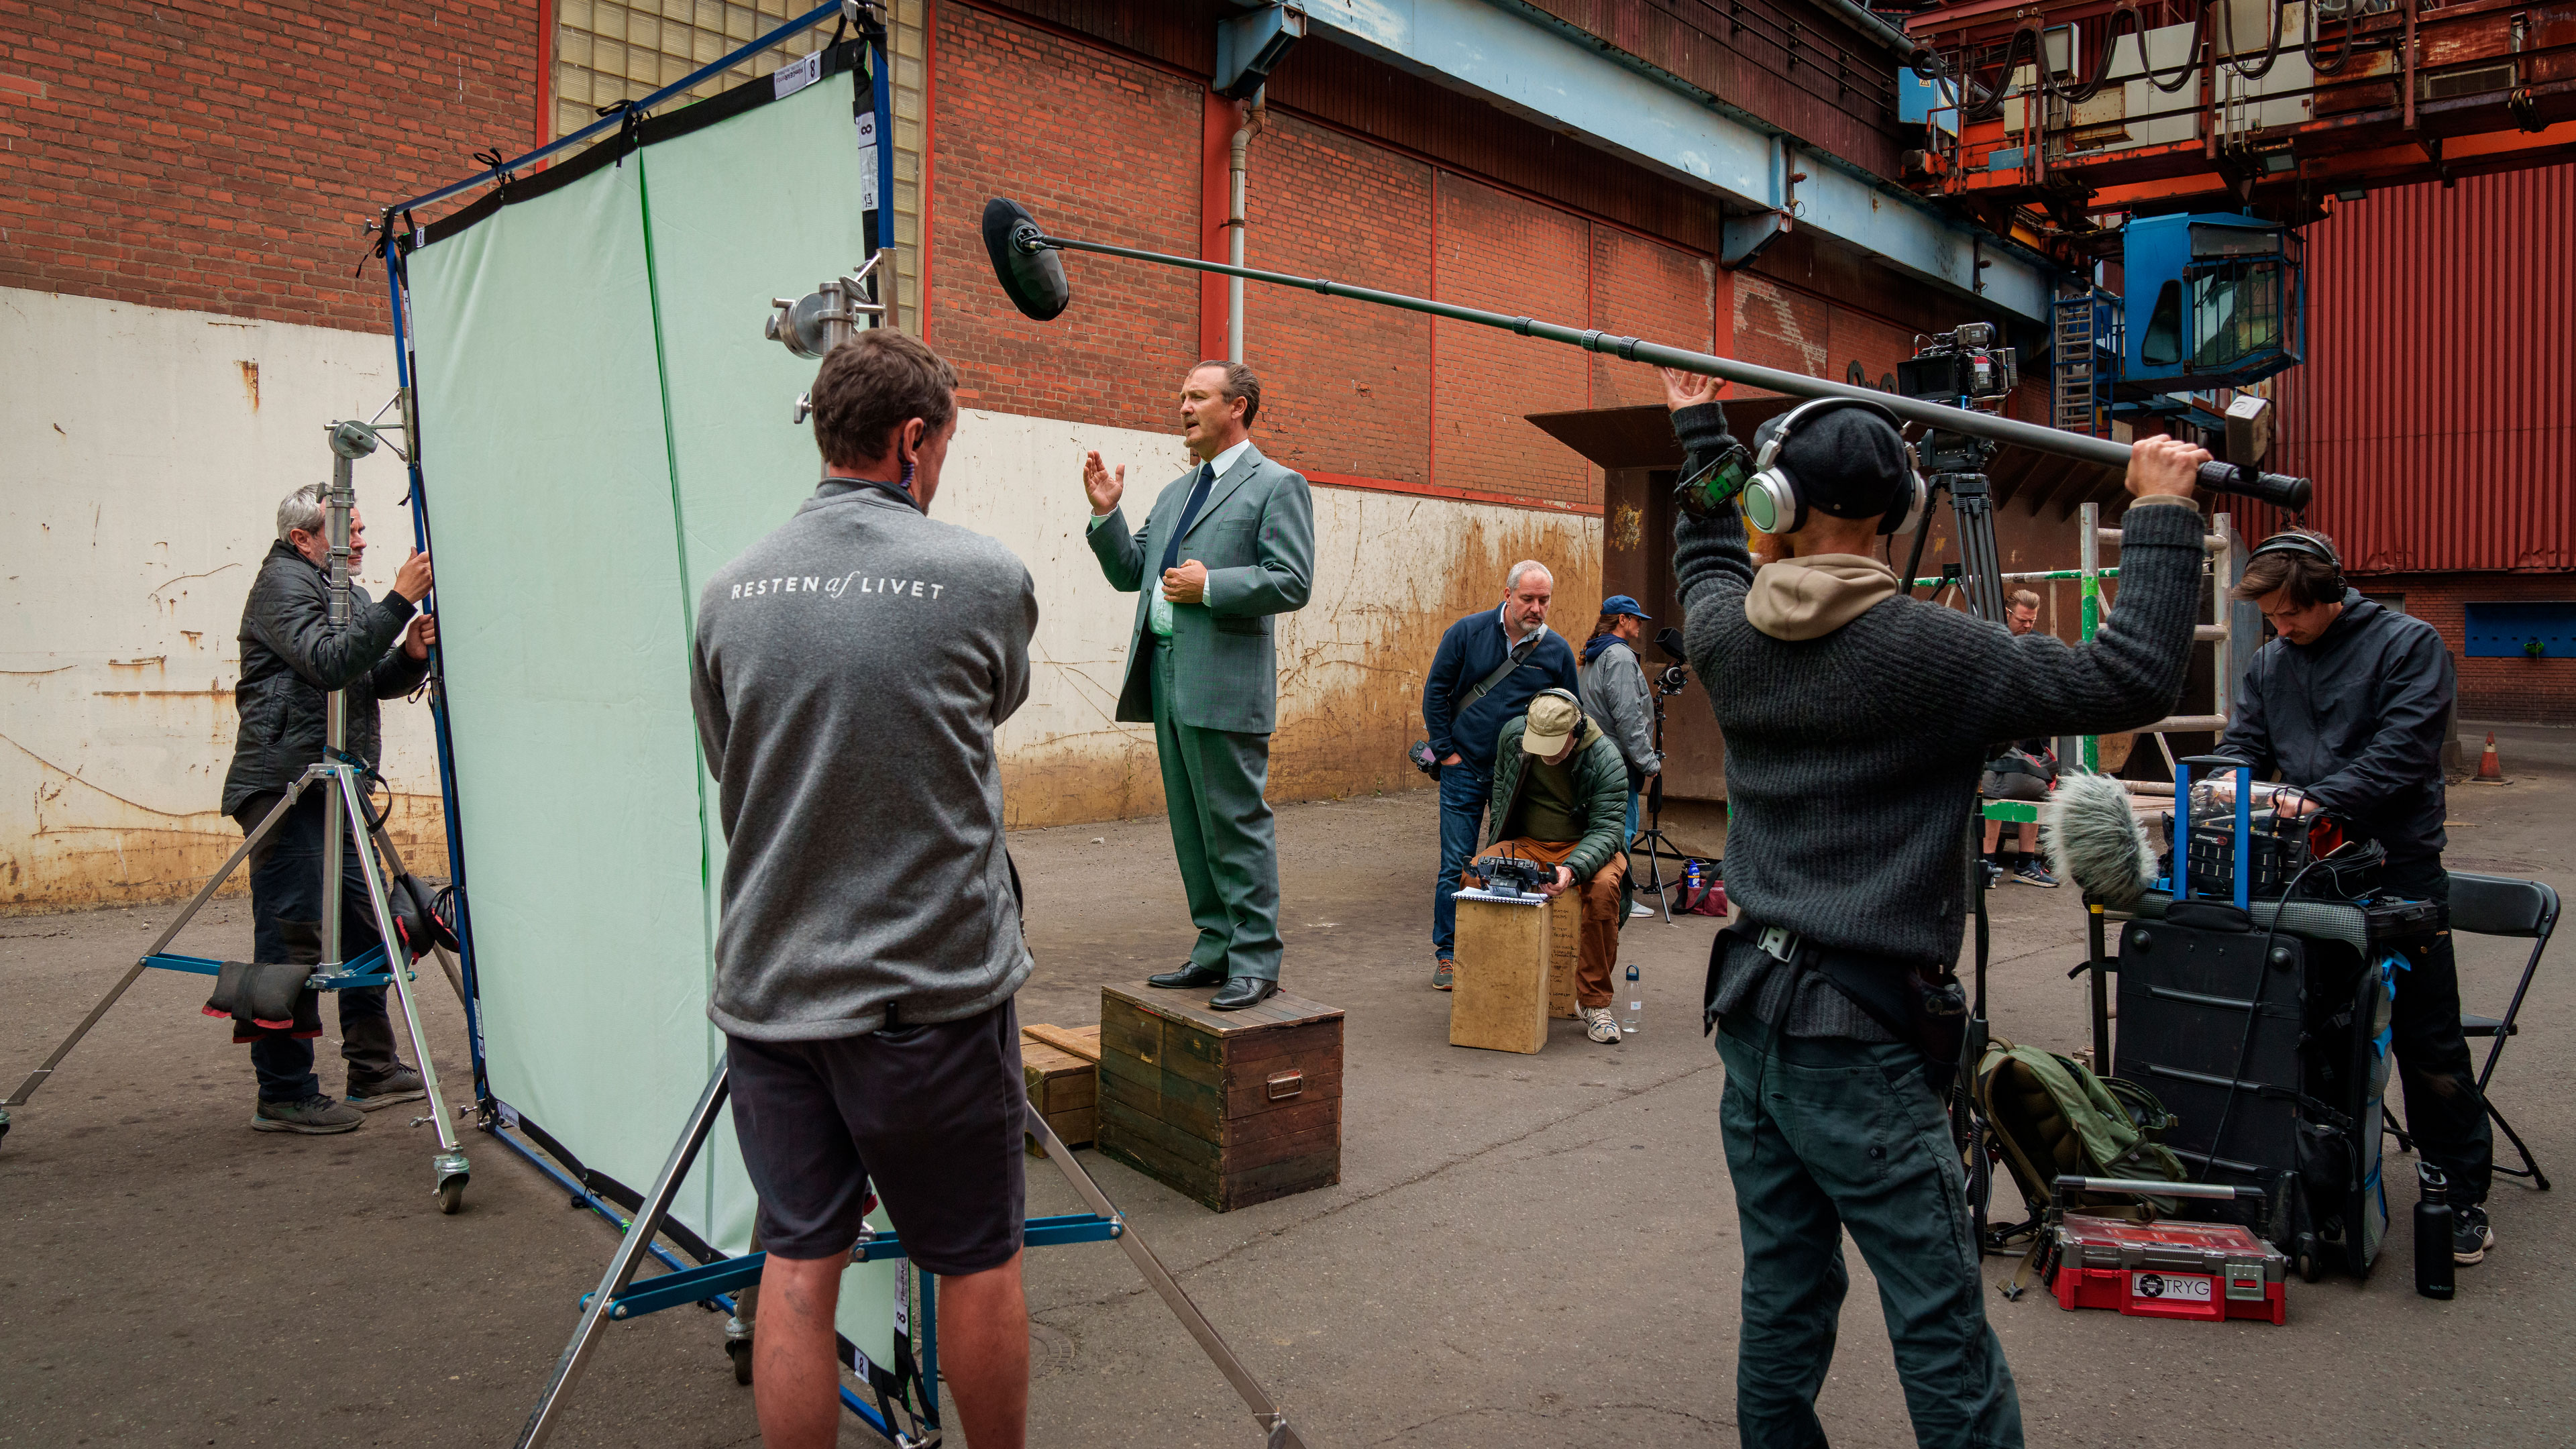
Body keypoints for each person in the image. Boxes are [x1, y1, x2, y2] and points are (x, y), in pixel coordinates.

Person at [1664, 367, 2212, 1448]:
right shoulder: (1934, 652)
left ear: (1776, 500)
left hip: (1757, 1022)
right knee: (1939, 1321)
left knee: (1782, 1296)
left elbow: (1707, 550)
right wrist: (2159, 508)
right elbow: (2135, 676)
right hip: (1861, 1042)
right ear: (1900, 508)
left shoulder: (1724, 633)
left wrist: (1698, 436)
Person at [690, 331, 1039, 1449]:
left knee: (799, 1259)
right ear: (910, 441)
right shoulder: (983, 577)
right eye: (942, 448)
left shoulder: (728, 592)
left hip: (772, 992)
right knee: (976, 1260)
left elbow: (729, 757)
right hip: (927, 1003)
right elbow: (991, 705)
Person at [2214, 529, 2496, 1264]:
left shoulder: (2409, 645)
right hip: (2314, 871)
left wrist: (2316, 801)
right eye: (2271, 618)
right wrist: (2227, 785)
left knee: (2426, 1039)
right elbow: (2246, 742)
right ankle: (2327, 1181)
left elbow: (2404, 752)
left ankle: (2461, 1192)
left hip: (2398, 870)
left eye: (2292, 615)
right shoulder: (2272, 660)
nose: (2281, 629)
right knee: (2320, 1031)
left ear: (2331, 590)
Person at [1081, 362, 1315, 1011]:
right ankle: (1215, 948)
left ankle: (1257, 959)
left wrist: (1211, 586)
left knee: (1236, 823)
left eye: (1196, 396)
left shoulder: (1277, 484)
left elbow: (1291, 579)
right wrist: (1108, 516)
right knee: (1192, 824)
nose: (1182, 406)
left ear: (1236, 407)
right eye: (1182, 396)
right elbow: (1133, 572)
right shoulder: (1176, 492)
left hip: (1225, 679)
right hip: (1166, 673)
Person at [219, 484, 435, 1134]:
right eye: (351, 531)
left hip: (334, 786)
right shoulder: (283, 585)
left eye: (364, 530)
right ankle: (282, 1091)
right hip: (287, 784)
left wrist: (409, 658)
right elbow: (327, 663)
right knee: (291, 939)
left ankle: (372, 1067)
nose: (363, 540)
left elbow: (363, 680)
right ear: (304, 541)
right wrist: (400, 600)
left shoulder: (344, 596)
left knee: (364, 928)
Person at [1421, 561, 1580, 988]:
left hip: (1521, 778)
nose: (1536, 608)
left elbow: (1570, 712)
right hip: (1463, 770)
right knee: (1455, 863)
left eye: (1544, 600)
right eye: (1528, 598)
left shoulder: (1557, 651)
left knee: (1513, 864)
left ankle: (1504, 950)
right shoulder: (1467, 633)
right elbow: (1436, 692)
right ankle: (1449, 954)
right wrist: (1447, 753)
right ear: (1507, 594)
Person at [1471, 690, 1633, 1044]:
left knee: (1605, 890)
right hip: (1530, 843)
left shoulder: (1607, 759)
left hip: (1586, 845)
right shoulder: (1514, 736)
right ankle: (1491, 985)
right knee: (1477, 872)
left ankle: (1594, 1002)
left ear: (1575, 733)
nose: (1544, 752)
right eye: (1538, 742)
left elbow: (1607, 830)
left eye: (1554, 744)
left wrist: (1573, 870)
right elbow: (1501, 788)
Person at [1578, 594, 1664, 916]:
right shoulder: (1620, 658)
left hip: (1594, 758)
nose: (1639, 624)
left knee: (1599, 829)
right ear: (1622, 621)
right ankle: (1619, 899)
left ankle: (1601, 895)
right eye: (1636, 618)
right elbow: (1629, 718)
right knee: (1621, 830)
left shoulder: (1594, 653)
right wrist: (1648, 762)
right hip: (1617, 763)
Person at [1980, 589, 2059, 889]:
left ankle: (2026, 863)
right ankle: (1987, 862)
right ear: (2008, 613)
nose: (2027, 626)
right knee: (1995, 790)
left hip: (2032, 727)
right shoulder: (1993, 639)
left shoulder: (2036, 644)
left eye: (2032, 621)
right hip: (2000, 726)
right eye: (2023, 620)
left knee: (2035, 788)